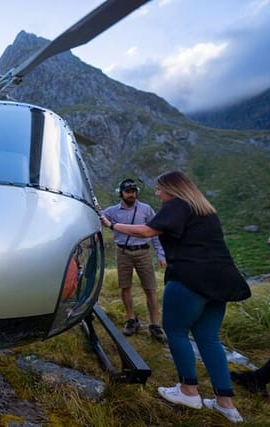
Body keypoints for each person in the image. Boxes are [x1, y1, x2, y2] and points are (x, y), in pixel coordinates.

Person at [100, 170, 245, 423]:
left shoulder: (178, 204)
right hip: (220, 280)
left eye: (159, 189)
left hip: (189, 278)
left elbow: (147, 231)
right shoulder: (205, 209)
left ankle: (188, 390)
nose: (158, 193)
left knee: (176, 331)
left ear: (172, 188)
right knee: (209, 339)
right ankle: (226, 404)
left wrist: (112, 225)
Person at [102, 178, 167, 342]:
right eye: (128, 191)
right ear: (121, 193)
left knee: (150, 289)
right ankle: (131, 320)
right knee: (125, 287)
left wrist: (161, 254)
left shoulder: (146, 209)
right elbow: (98, 218)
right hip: (123, 252)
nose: (132, 195)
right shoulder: (112, 211)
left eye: (134, 191)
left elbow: (155, 232)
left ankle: (155, 325)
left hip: (143, 253)